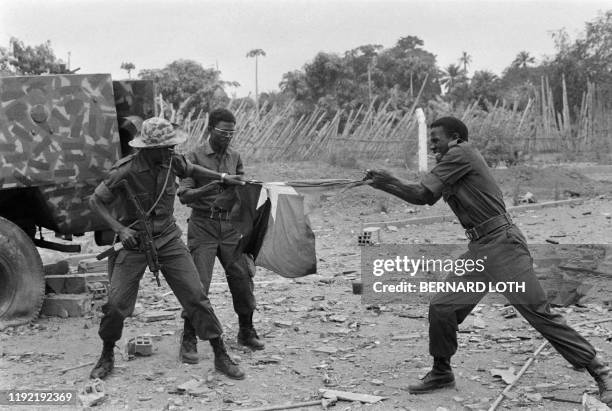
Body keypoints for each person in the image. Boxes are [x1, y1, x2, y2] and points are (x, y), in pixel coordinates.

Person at [365, 117, 612, 405]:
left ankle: (602, 371)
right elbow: (425, 198)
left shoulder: (461, 153)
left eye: (436, 139)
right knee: (442, 306)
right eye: (430, 140)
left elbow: (421, 194)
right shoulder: (452, 165)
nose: (432, 145)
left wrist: (387, 181)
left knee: (537, 312)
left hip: (502, 246)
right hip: (482, 247)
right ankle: (442, 372)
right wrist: (383, 184)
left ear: (455, 138)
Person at [88, 117, 246, 380]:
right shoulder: (125, 170)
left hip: (168, 239)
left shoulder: (172, 160)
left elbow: (192, 169)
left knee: (196, 296)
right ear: (149, 149)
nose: (172, 149)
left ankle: (220, 354)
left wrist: (221, 176)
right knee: (116, 305)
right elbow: (95, 201)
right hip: (135, 242)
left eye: (172, 145)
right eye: (166, 146)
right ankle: (106, 355)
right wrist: (121, 230)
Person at [176, 108, 263, 366]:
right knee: (197, 284)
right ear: (210, 129)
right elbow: (184, 196)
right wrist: (212, 187)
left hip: (231, 228)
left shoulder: (235, 156)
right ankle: (189, 338)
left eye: (231, 133)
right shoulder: (193, 157)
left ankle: (246, 330)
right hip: (203, 226)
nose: (227, 137)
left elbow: (242, 188)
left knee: (242, 279)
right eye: (222, 132)